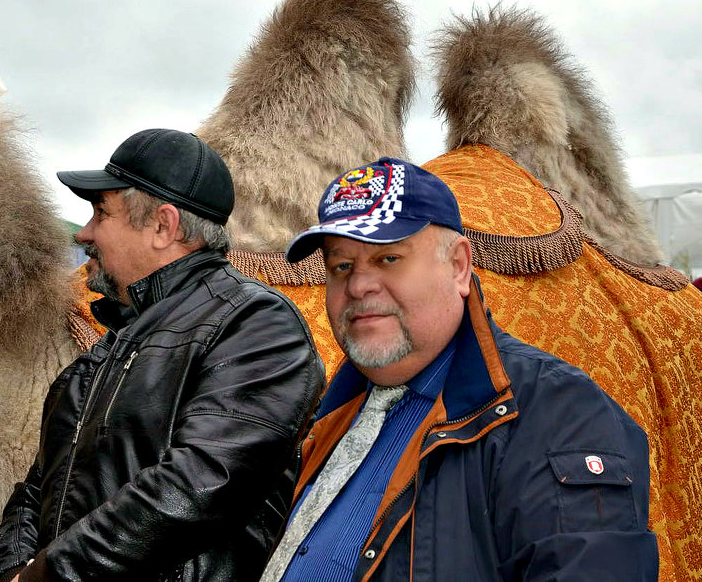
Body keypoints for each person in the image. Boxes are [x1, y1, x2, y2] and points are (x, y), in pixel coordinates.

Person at [260, 158, 658, 582]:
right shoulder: (334, 407)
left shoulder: (555, 412)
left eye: (388, 258)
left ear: (458, 266)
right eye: (342, 266)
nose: (358, 285)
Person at [0, 128, 325, 582]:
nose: (85, 234)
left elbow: (201, 482)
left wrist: (47, 575)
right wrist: (11, 570)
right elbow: (37, 489)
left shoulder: (257, 324)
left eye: (100, 213)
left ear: (163, 226)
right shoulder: (107, 347)